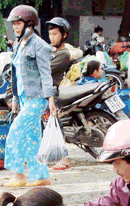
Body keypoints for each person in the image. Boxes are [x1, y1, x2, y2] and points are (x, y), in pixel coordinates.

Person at [4, 5, 56, 188]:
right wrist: (16, 99)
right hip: (24, 98)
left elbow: (46, 74)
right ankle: (40, 176)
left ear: (30, 24)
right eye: (14, 24)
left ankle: (18, 175)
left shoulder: (40, 46)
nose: (15, 28)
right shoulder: (18, 44)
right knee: (32, 139)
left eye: (18, 24)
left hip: (37, 99)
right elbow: (15, 74)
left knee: (15, 132)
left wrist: (51, 101)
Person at [46, 16, 82, 171]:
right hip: (43, 91)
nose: (51, 37)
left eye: (55, 34)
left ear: (64, 35)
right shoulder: (50, 49)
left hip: (52, 92)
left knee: (54, 123)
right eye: (50, 34)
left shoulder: (63, 54)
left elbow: (44, 68)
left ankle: (64, 158)